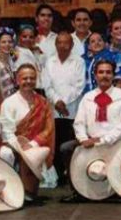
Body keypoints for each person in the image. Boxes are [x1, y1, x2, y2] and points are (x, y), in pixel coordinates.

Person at [69, 60, 121, 199]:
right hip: (90, 141)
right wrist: (83, 139)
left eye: (108, 72)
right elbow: (79, 122)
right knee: (66, 149)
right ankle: (79, 191)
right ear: (95, 75)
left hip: (116, 142)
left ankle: (117, 189)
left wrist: (104, 139)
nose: (104, 75)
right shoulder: (88, 97)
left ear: (113, 75)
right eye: (101, 72)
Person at [0, 65, 57, 195]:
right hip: (13, 144)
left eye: (32, 78)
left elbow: (49, 129)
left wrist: (31, 145)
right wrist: (21, 148)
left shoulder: (43, 102)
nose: (28, 81)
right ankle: (7, 188)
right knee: (5, 153)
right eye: (25, 78)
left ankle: (27, 187)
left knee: (30, 193)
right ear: (17, 80)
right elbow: (7, 132)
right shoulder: (9, 103)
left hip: (36, 146)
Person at [42, 31, 85, 186]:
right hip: (54, 110)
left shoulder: (78, 61)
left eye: (66, 42)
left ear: (72, 45)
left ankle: (72, 175)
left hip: (72, 109)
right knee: (56, 141)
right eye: (59, 42)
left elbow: (79, 86)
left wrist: (64, 102)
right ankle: (59, 174)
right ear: (55, 44)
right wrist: (57, 101)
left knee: (70, 141)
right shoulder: (49, 61)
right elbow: (47, 86)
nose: (62, 45)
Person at [0, 27, 18, 105]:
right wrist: (0, 98)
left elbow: (13, 54)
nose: (7, 44)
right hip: (4, 103)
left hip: (12, 101)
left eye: (10, 42)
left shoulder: (10, 60)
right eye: (3, 42)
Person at [15, 24, 43, 91]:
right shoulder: (15, 51)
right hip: (25, 87)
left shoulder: (36, 52)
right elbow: (8, 53)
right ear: (19, 37)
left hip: (39, 88)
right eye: (24, 36)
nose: (28, 39)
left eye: (31, 37)